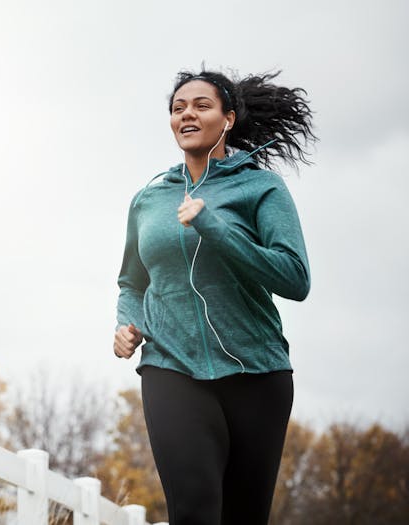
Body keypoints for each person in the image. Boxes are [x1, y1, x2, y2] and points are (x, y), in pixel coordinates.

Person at [113, 68, 317, 525]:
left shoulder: (261, 188)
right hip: (171, 365)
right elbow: (133, 282)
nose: (187, 114)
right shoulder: (149, 199)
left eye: (201, 105)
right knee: (194, 510)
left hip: (257, 372)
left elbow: (295, 278)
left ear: (227, 119)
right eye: (177, 108)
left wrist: (215, 227)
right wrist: (126, 325)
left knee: (244, 515)